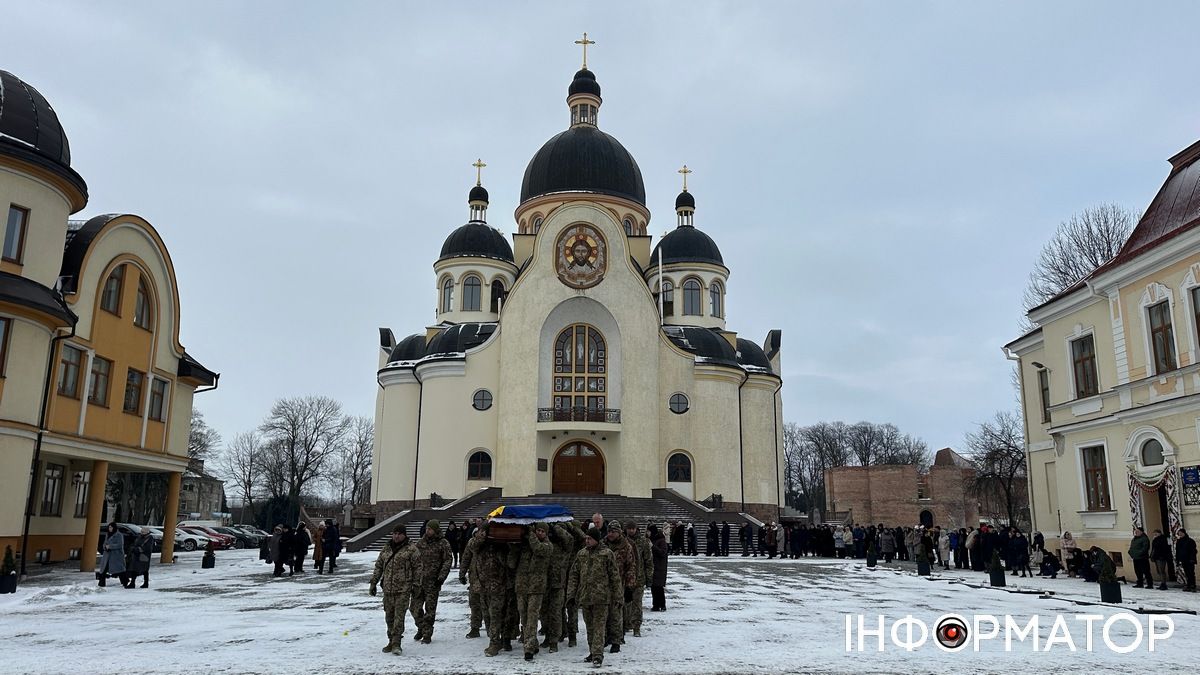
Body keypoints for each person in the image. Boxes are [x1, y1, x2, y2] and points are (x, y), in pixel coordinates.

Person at [566, 526, 621, 667]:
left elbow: (615, 577)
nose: (587, 541)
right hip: (585, 597)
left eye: (589, 538)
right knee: (590, 627)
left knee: (599, 627)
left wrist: (618, 596)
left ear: (596, 539)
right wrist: (571, 595)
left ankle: (598, 655)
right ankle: (593, 651)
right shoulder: (582, 554)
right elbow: (574, 575)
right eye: (586, 538)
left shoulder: (607, 554)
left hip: (601, 598)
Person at [369, 525, 418, 655]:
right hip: (388, 589)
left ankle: (397, 643)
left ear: (404, 535)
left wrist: (416, 586)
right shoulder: (387, 548)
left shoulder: (411, 549)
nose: (396, 536)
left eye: (399, 534)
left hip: (403, 589)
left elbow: (418, 568)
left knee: (398, 618)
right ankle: (391, 641)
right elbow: (379, 566)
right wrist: (373, 582)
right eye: (394, 533)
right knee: (389, 617)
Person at [410, 520, 453, 642]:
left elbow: (447, 561)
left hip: (433, 582)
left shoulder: (443, 543)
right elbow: (413, 559)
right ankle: (421, 628)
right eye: (427, 529)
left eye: (430, 529)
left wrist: (441, 578)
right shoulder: (420, 542)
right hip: (419, 582)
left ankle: (427, 634)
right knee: (414, 608)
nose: (427, 531)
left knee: (430, 610)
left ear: (435, 530)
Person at [515, 523, 552, 661]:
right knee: (524, 617)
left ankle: (529, 648)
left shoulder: (547, 546)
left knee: (532, 617)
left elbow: (538, 549)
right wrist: (514, 548)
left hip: (536, 588)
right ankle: (533, 642)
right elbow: (512, 563)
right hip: (522, 586)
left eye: (542, 531)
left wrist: (530, 534)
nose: (539, 533)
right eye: (538, 530)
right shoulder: (526, 546)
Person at [540, 523, 573, 652]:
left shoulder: (564, 547)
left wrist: (556, 527)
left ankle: (554, 641)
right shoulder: (546, 544)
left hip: (557, 583)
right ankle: (547, 636)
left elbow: (570, 539)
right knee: (544, 612)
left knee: (555, 612)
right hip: (544, 582)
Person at [604, 521, 636, 652]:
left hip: (619, 584)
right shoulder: (603, 544)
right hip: (603, 585)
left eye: (613, 532)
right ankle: (605, 637)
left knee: (616, 613)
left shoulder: (626, 547)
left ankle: (616, 640)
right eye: (609, 531)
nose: (610, 534)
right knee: (603, 614)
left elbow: (631, 567)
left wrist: (629, 586)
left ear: (619, 532)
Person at [624, 521, 653, 637]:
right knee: (625, 603)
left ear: (636, 529)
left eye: (633, 528)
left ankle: (636, 626)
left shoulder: (643, 542)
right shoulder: (623, 542)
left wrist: (649, 577)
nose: (631, 530)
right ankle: (626, 624)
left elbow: (648, 561)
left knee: (637, 603)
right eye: (629, 528)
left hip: (639, 578)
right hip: (626, 578)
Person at [459, 526, 486, 639]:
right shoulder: (471, 544)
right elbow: (466, 558)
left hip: (487, 580)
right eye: (477, 533)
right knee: (474, 605)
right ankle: (475, 628)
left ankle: (492, 629)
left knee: (487, 606)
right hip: (474, 579)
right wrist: (462, 573)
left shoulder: (488, 542)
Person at [97, 522, 127, 588]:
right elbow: (104, 543)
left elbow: (120, 545)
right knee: (103, 569)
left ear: (114, 528)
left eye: (111, 527)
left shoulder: (119, 535)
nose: (109, 529)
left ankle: (125, 581)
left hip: (116, 556)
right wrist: (105, 547)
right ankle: (101, 583)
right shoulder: (108, 534)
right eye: (109, 527)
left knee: (120, 570)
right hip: (107, 555)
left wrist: (110, 546)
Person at [649, 524, 668, 611]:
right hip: (653, 566)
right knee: (654, 587)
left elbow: (662, 552)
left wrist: (653, 547)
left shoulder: (661, 541)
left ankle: (662, 605)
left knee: (659, 587)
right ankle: (655, 605)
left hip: (660, 567)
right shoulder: (652, 540)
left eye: (648, 531)